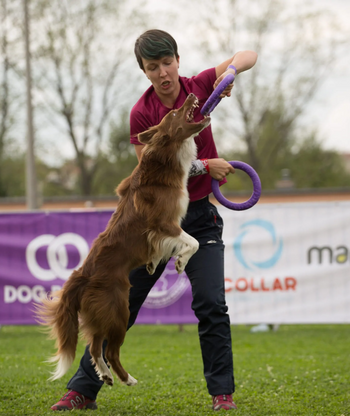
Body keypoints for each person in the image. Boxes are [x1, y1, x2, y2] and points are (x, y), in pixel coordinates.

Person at [51, 29, 257, 412]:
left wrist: (229, 77)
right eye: (152, 67)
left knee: (212, 304)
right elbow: (149, 170)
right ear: (144, 72)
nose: (162, 73)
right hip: (154, 227)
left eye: (166, 63)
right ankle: (81, 390)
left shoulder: (198, 86)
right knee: (120, 305)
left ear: (178, 60)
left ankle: (221, 395)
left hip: (200, 220)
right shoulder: (141, 112)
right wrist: (203, 166)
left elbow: (248, 54)